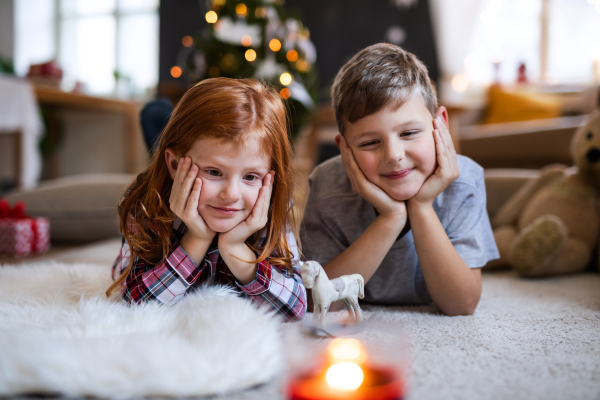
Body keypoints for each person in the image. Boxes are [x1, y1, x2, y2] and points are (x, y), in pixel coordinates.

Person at [301, 43, 499, 316]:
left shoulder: (465, 183)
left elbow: (461, 304)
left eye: (408, 134)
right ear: (344, 148)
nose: (394, 155)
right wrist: (390, 218)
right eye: (370, 142)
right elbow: (316, 302)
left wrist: (422, 206)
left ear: (439, 124)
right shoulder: (327, 186)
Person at [106, 78, 307, 322]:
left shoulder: (267, 204)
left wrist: (234, 248)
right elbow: (135, 302)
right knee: (158, 152)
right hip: (165, 182)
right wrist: (196, 239)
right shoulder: (147, 204)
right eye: (214, 172)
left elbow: (295, 307)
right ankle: (158, 128)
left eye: (250, 176)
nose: (231, 194)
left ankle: (163, 128)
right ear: (174, 165)